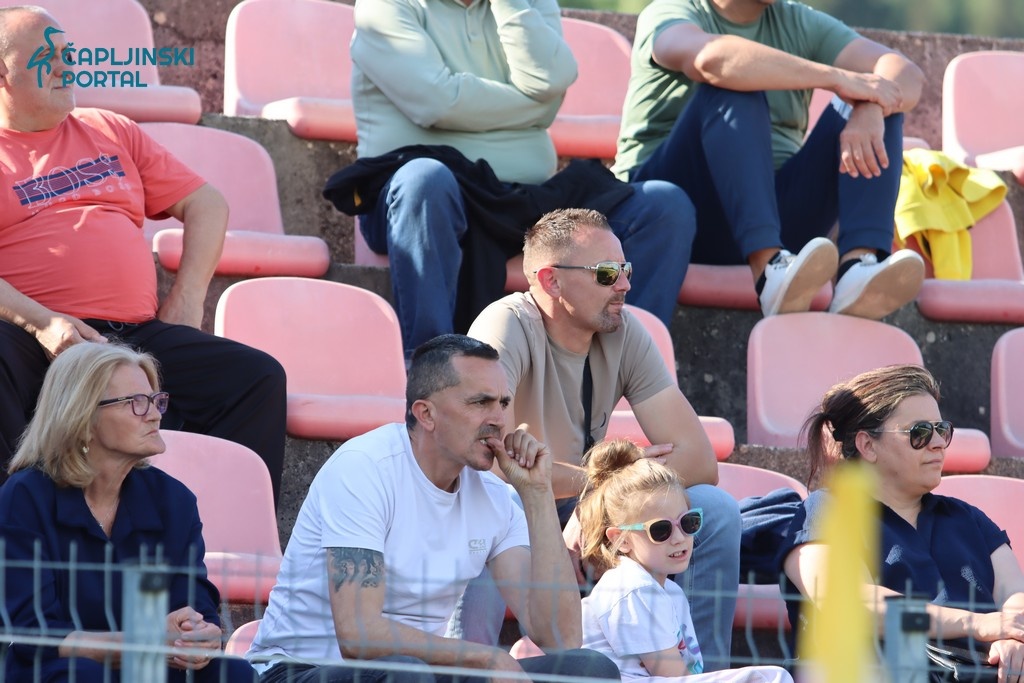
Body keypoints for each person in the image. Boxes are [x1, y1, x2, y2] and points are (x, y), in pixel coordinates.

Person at [0, 6, 287, 501]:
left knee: (255, 378)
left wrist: (188, 299)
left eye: (68, 53)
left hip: (134, 336)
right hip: (35, 339)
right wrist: (42, 323)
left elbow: (207, 203)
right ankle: (15, 526)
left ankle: (230, 523)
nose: (68, 66)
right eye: (48, 56)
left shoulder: (108, 128)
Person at [245, 334, 620, 683]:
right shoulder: (364, 468)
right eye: (480, 402)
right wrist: (484, 658)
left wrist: (536, 494)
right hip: (298, 670)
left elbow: (561, 638)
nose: (498, 419)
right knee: (406, 674)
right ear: (426, 414)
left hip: (421, 674)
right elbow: (359, 636)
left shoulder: (495, 496)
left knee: (589, 668)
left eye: (503, 403)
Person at [468, 208, 741, 671]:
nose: (625, 285)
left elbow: (699, 460)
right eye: (607, 273)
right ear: (552, 281)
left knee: (712, 510)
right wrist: (595, 486)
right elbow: (495, 461)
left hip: (584, 506)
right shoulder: (505, 325)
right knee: (491, 502)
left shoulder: (624, 331)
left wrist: (595, 500)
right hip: (521, 505)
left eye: (625, 269)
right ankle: (468, 671)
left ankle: (702, 676)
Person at [346, 0, 696, 359]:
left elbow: (548, 80)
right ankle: (434, 369)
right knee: (426, 179)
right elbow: (437, 102)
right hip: (421, 201)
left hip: (521, 202)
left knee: (662, 205)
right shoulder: (385, 5)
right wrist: (530, 103)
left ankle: (620, 368)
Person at [613, 0, 928, 320]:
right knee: (734, 76)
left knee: (879, 98)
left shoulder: (798, 21)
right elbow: (711, 59)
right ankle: (768, 268)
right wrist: (837, 78)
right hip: (673, 214)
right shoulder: (671, 11)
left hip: (774, 215)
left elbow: (905, 72)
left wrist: (871, 105)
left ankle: (857, 267)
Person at [0, 342, 258, 683]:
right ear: (83, 417)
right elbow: (36, 636)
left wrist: (199, 634)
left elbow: (194, 603)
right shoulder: (26, 497)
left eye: (156, 400)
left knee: (233, 672)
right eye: (136, 402)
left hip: (149, 669)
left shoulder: (173, 500)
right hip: (59, 671)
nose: (155, 414)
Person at [779, 364, 1024, 681]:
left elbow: (1015, 594)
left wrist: (1013, 639)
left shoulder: (969, 518)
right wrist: (979, 625)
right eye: (919, 433)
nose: (938, 443)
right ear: (868, 445)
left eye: (942, 430)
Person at [579, 439, 793, 683]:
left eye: (688, 522)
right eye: (660, 530)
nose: (680, 538)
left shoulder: (668, 590)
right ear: (622, 539)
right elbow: (671, 676)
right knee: (771, 678)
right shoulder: (632, 587)